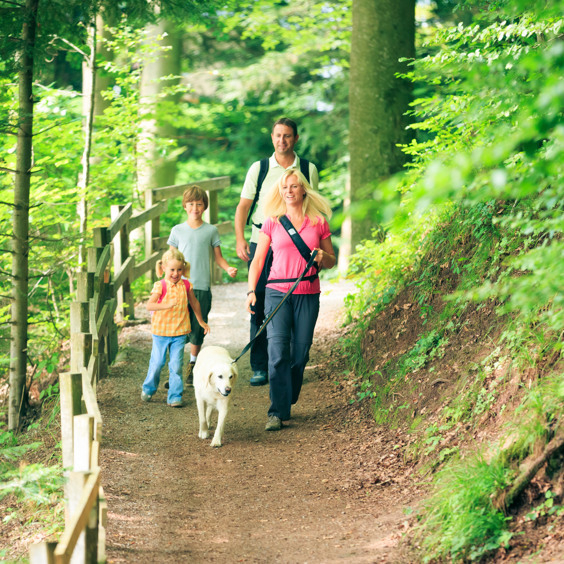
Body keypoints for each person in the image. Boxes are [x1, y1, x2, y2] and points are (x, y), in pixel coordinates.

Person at [245, 168, 336, 431]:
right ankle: (277, 411)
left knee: (300, 353)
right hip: (276, 294)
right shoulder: (272, 221)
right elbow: (258, 260)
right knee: (276, 353)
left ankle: (287, 393)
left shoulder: (318, 222)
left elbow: (331, 261)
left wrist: (322, 257)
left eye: (294, 186)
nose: (289, 191)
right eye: (285, 187)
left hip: (307, 293)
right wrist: (252, 291)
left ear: (303, 189)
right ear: (280, 191)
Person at [235, 117, 319, 387]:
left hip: (297, 245)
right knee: (258, 301)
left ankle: (292, 364)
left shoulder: (307, 169)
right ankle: (260, 366)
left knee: (295, 302)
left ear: (295, 138)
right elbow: (243, 207)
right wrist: (240, 240)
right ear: (272, 137)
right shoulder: (259, 169)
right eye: (277, 135)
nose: (282, 140)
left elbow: (314, 205)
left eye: (287, 136)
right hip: (263, 239)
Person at [168, 185, 238, 382]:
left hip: (201, 286)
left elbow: (218, 258)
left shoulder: (211, 231)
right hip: (179, 287)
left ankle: (192, 365)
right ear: (184, 206)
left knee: (198, 328)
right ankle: (175, 372)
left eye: (199, 204)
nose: (195, 208)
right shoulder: (177, 231)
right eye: (191, 204)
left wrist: (227, 268)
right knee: (177, 328)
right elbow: (169, 259)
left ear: (204, 206)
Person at [141, 249, 210, 407]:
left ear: (184, 269)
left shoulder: (186, 285)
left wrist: (201, 321)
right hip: (160, 333)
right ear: (164, 267)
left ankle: (174, 396)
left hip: (179, 333)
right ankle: (149, 388)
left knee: (176, 365)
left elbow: (195, 303)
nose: (176, 273)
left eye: (179, 269)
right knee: (157, 363)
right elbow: (149, 305)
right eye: (172, 269)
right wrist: (166, 305)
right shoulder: (161, 286)